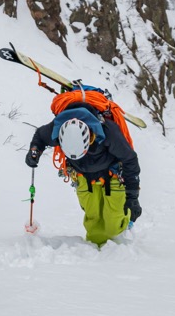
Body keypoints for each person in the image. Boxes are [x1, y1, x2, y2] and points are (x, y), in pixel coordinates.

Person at [25, 104, 141, 246]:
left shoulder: (108, 132)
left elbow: (130, 160)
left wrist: (132, 198)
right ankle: (97, 259)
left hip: (112, 175)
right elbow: (40, 136)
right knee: (93, 226)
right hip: (82, 176)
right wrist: (34, 150)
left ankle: (125, 223)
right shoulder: (56, 129)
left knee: (112, 226)